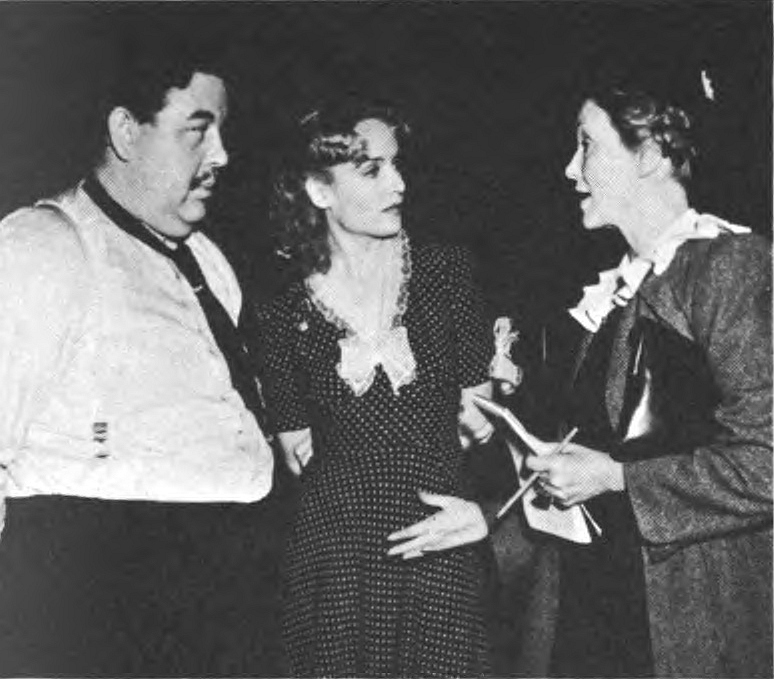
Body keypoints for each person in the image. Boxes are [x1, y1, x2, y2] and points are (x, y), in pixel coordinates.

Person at [0, 36, 276, 675]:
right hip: (110, 606)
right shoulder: (43, 247)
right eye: (197, 132)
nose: (221, 155)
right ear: (126, 132)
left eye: (222, 132)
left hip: (227, 600)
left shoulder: (208, 259)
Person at [512, 71, 772, 677]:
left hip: (692, 621)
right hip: (597, 611)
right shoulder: (617, 291)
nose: (570, 170)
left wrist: (615, 478)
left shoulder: (729, 268)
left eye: (586, 145)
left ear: (650, 156)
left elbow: (767, 462)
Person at [256, 100, 497, 677]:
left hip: (440, 542)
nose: (399, 184)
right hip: (337, 562)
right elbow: (296, 451)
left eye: (396, 164)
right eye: (372, 170)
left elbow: (483, 424)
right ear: (319, 190)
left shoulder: (445, 273)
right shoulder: (280, 307)